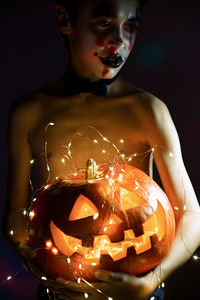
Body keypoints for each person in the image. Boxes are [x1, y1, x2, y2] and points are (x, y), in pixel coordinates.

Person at [3, 0, 200, 299]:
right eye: (105, 23)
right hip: (60, 293)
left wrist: (148, 284)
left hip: (138, 292)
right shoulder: (29, 113)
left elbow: (192, 215)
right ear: (64, 20)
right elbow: (15, 213)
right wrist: (33, 260)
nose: (119, 39)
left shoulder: (149, 111)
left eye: (130, 26)